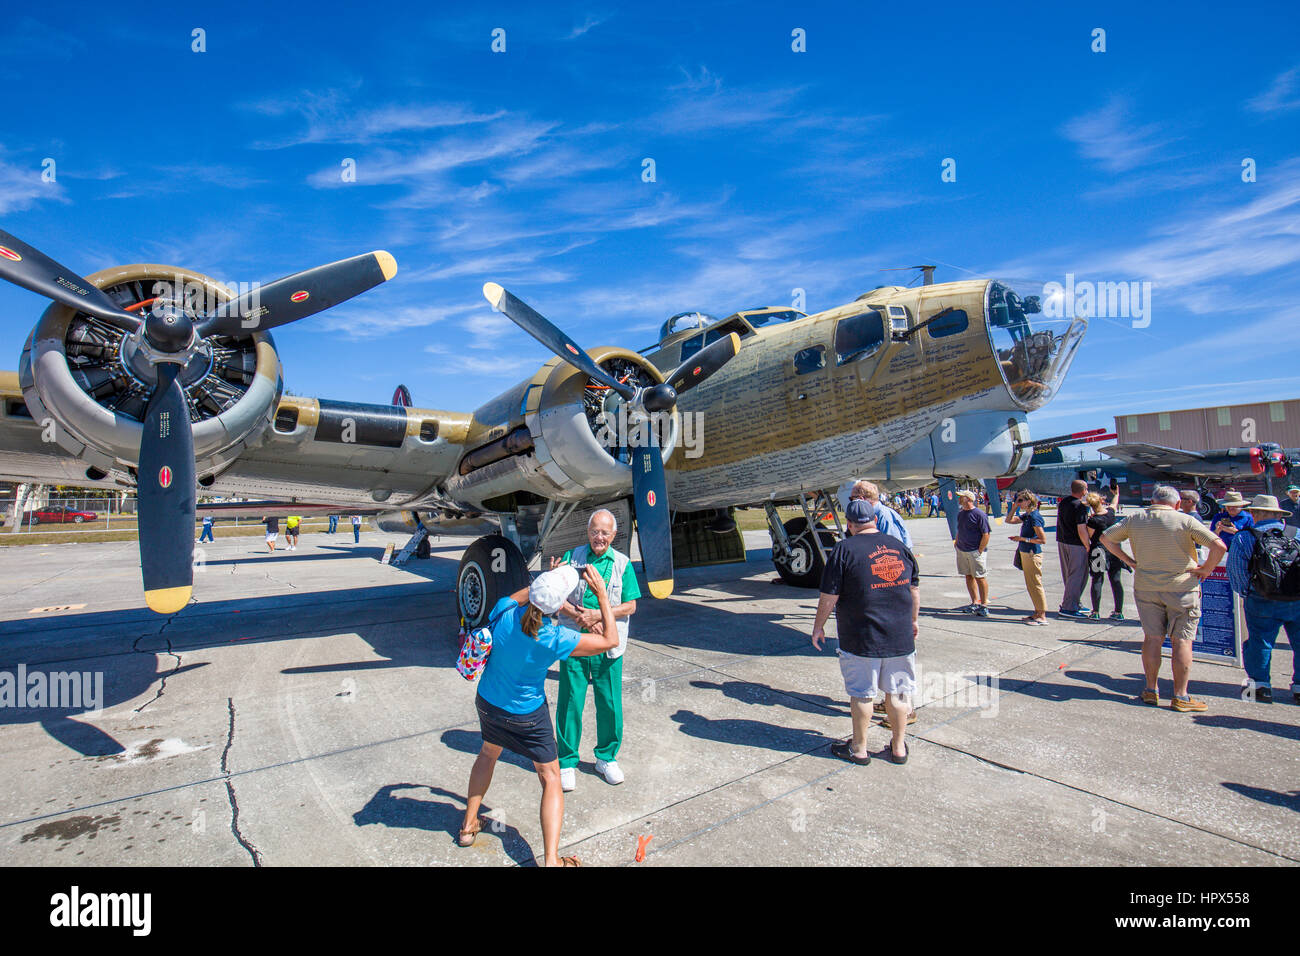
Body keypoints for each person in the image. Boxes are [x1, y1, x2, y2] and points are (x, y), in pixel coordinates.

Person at [458, 564, 617, 867]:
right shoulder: (555, 639)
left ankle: (468, 826)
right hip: (527, 716)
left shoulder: (504, 612)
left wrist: (545, 581)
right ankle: (552, 861)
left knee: (488, 754)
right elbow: (610, 640)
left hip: (489, 703)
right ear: (558, 605)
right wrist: (602, 597)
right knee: (550, 777)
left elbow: (519, 597)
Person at [811, 499, 920, 765]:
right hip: (900, 634)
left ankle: (859, 749)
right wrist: (914, 621)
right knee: (896, 693)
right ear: (874, 518)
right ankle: (898, 748)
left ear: (849, 524)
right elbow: (914, 589)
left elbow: (829, 596)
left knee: (862, 694)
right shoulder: (900, 547)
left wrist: (818, 626)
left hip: (861, 635)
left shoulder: (843, 549)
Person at [1101, 484, 1227, 712]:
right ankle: (1180, 696)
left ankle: (1151, 689)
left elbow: (1106, 538)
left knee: (1152, 638)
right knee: (1182, 641)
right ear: (1177, 504)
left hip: (1147, 586)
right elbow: (1219, 545)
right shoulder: (1185, 520)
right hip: (1181, 588)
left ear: (1152, 502)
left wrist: (1128, 560)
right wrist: (1206, 569)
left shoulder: (1135, 518)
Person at [552, 509, 641, 791]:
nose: (598, 537)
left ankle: (606, 757)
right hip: (575, 641)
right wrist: (581, 617)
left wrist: (599, 616)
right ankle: (567, 761)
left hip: (608, 643)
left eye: (604, 532)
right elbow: (556, 595)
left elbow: (631, 605)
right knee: (570, 701)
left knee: (609, 702)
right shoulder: (571, 558)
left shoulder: (623, 564)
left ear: (614, 535)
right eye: (594, 531)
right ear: (587, 533)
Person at [1227, 495, 1300, 704]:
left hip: (1262, 597)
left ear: (1256, 513)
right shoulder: (1297, 534)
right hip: (1296, 597)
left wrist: (1247, 593)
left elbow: (1236, 571)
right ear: (1279, 514)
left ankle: (1260, 686)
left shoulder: (1245, 537)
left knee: (1260, 641)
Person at [1084, 492, 1126, 621]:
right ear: (1101, 501)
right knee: (1116, 580)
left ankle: (1096, 611)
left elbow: (1090, 536)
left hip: (1099, 550)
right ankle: (1118, 611)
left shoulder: (1093, 520)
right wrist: (1116, 493)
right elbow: (1114, 503)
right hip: (1114, 550)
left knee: (1097, 580)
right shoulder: (1111, 513)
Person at [1009, 492, 1048, 625]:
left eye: (1020, 500)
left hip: (1032, 553)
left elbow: (1042, 539)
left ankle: (1042, 615)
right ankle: (1037, 612)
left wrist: (1022, 539)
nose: (1018, 502)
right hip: (1025, 552)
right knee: (1031, 584)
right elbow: (1009, 520)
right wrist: (1014, 508)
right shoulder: (1027, 516)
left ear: (1028, 501)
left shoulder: (1034, 517)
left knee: (1036, 584)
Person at [1055, 479, 1092, 619]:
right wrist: (1087, 545)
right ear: (1083, 490)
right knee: (1078, 575)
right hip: (1076, 544)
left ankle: (1075, 601)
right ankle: (1068, 607)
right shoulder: (1079, 507)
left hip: (1063, 541)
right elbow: (1081, 528)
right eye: (1086, 489)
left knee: (1069, 575)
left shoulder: (1064, 502)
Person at [953, 489, 991, 616]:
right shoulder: (961, 514)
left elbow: (986, 534)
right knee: (968, 576)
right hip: (962, 549)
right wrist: (957, 543)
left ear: (968, 499)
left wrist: (980, 550)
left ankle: (984, 604)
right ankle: (974, 602)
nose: (959, 499)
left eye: (961, 497)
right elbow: (959, 529)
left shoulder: (979, 514)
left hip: (975, 550)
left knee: (980, 577)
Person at [847, 480, 913, 548]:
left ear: (861, 499)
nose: (851, 502)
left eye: (852, 499)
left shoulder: (884, 515)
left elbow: (893, 548)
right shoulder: (876, 513)